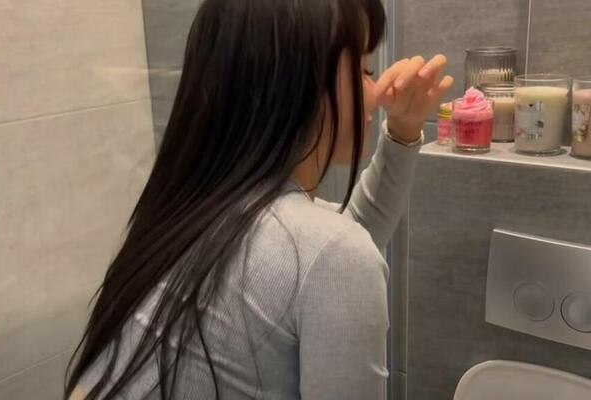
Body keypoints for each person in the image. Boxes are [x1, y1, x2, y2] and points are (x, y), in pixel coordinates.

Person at [65, 0, 453, 399]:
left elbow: (332, 253)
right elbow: (334, 256)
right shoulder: (318, 247)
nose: (376, 93)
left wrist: (404, 129)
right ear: (299, 83)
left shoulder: (192, 209)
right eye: (364, 70)